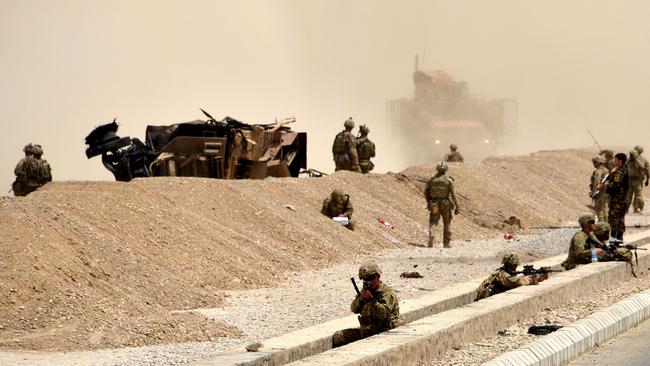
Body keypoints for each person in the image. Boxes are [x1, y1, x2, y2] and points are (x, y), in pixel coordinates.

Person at [332, 260, 400, 348]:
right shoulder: (366, 291)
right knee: (339, 336)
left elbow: (384, 314)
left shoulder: (387, 292)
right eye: (365, 279)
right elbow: (354, 309)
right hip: (369, 330)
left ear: (378, 276)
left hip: (386, 331)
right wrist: (361, 299)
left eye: (371, 278)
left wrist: (372, 300)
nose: (369, 281)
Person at [475, 253, 548, 301]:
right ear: (513, 265)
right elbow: (517, 283)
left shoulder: (503, 272)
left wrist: (539, 277)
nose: (516, 267)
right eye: (515, 265)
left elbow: (514, 280)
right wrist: (532, 279)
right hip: (486, 299)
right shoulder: (503, 274)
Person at [424, 161, 459, 248]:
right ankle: (446, 243)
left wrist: (429, 201)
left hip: (434, 204)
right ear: (446, 169)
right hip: (445, 204)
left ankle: (432, 235)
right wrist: (457, 206)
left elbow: (426, 192)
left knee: (434, 221)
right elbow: (454, 195)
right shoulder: (449, 180)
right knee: (446, 223)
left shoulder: (431, 179)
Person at [598, 153, 630, 240]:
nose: (614, 161)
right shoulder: (623, 169)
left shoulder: (619, 171)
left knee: (614, 219)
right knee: (620, 219)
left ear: (620, 161)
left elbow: (616, 185)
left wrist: (606, 184)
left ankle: (614, 239)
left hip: (617, 200)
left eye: (615, 160)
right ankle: (619, 239)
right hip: (622, 199)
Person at [590, 155, 609, 222]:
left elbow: (597, 183)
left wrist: (594, 193)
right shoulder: (606, 170)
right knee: (604, 209)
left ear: (599, 162)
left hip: (600, 193)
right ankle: (606, 224)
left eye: (595, 162)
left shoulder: (598, 171)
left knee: (599, 209)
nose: (594, 164)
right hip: (605, 192)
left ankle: (601, 225)